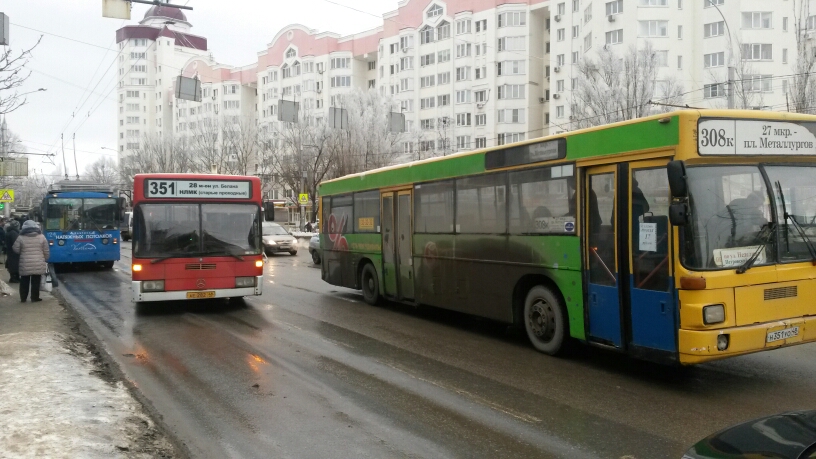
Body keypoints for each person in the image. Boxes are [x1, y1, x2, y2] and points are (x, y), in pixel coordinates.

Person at [13, 220, 49, 302]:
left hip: (25, 262)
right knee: (36, 281)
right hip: (38, 262)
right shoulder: (41, 237)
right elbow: (46, 250)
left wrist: (22, 252)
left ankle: (23, 298)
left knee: (24, 281)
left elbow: (15, 248)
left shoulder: (21, 237)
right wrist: (45, 258)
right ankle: (34, 297)